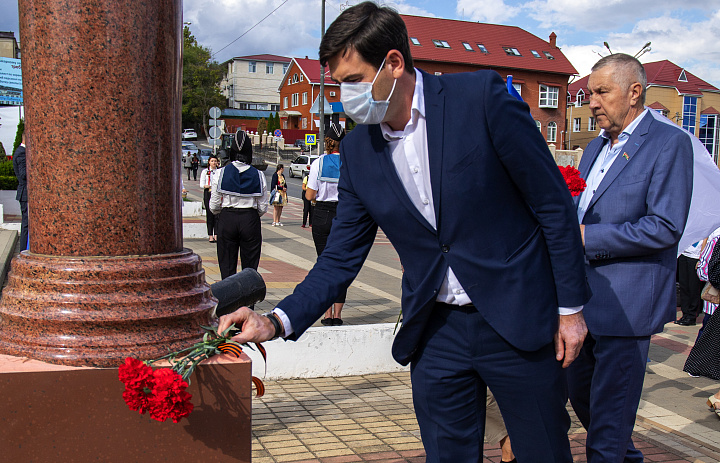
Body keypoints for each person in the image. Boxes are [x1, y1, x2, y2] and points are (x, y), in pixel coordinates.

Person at [218, 3, 590, 462]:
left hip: (518, 320)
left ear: (394, 63)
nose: (344, 97)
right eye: (338, 85)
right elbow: (339, 258)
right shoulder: (358, 150)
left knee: (543, 452)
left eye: (353, 81)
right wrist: (276, 321)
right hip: (436, 333)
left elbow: (552, 203)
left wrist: (570, 309)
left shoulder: (480, 98)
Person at [569, 53, 693, 463]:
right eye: (589, 93)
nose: (592, 102)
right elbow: (583, 207)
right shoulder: (593, 149)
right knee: (586, 400)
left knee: (607, 424)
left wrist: (587, 237)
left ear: (635, 92)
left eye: (602, 92)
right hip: (580, 301)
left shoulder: (668, 143)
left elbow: (664, 226)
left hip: (627, 303)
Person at [210, 129, 268, 280]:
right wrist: (251, 214)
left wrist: (222, 213)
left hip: (227, 218)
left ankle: (229, 301)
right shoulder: (259, 175)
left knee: (227, 267)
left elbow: (214, 206)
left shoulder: (220, 173)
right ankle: (248, 303)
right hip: (250, 219)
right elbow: (262, 207)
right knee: (250, 269)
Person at [306, 122, 346, 326]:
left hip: (321, 214)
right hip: (344, 215)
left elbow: (309, 194)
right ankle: (337, 315)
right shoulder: (350, 162)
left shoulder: (318, 163)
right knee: (341, 264)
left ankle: (326, 313)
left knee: (324, 263)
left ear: (328, 142)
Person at [13, 132, 28, 251]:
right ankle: (23, 250)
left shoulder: (21, 152)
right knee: (26, 225)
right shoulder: (21, 153)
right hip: (25, 194)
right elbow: (23, 174)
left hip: (26, 194)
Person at [200, 155, 219, 242]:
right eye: (212, 161)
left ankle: (216, 234)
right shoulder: (205, 171)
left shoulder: (219, 171)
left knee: (217, 214)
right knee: (210, 214)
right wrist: (205, 185)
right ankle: (210, 235)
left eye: (215, 161)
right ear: (209, 162)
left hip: (217, 193)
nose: (214, 163)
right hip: (208, 192)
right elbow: (201, 184)